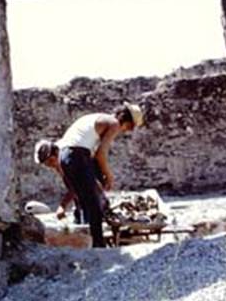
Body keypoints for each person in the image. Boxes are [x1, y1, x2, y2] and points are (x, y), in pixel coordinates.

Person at [34, 102, 144, 248]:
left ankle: (87, 233)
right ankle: (98, 245)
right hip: (77, 155)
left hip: (71, 156)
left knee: (87, 198)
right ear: (126, 121)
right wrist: (109, 176)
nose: (125, 131)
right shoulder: (114, 123)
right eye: (129, 127)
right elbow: (101, 154)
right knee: (93, 203)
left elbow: (91, 160)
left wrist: (98, 179)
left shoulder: (97, 120)